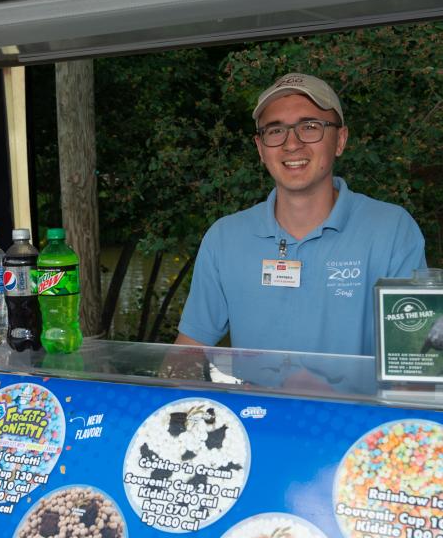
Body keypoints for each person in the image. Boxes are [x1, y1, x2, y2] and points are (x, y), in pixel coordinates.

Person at [176, 72, 426, 356]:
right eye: (275, 130)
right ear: (260, 148)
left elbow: (414, 358)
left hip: (353, 403)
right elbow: (190, 350)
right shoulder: (224, 238)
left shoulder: (392, 230)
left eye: (309, 126)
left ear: (340, 140)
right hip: (256, 404)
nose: (291, 144)